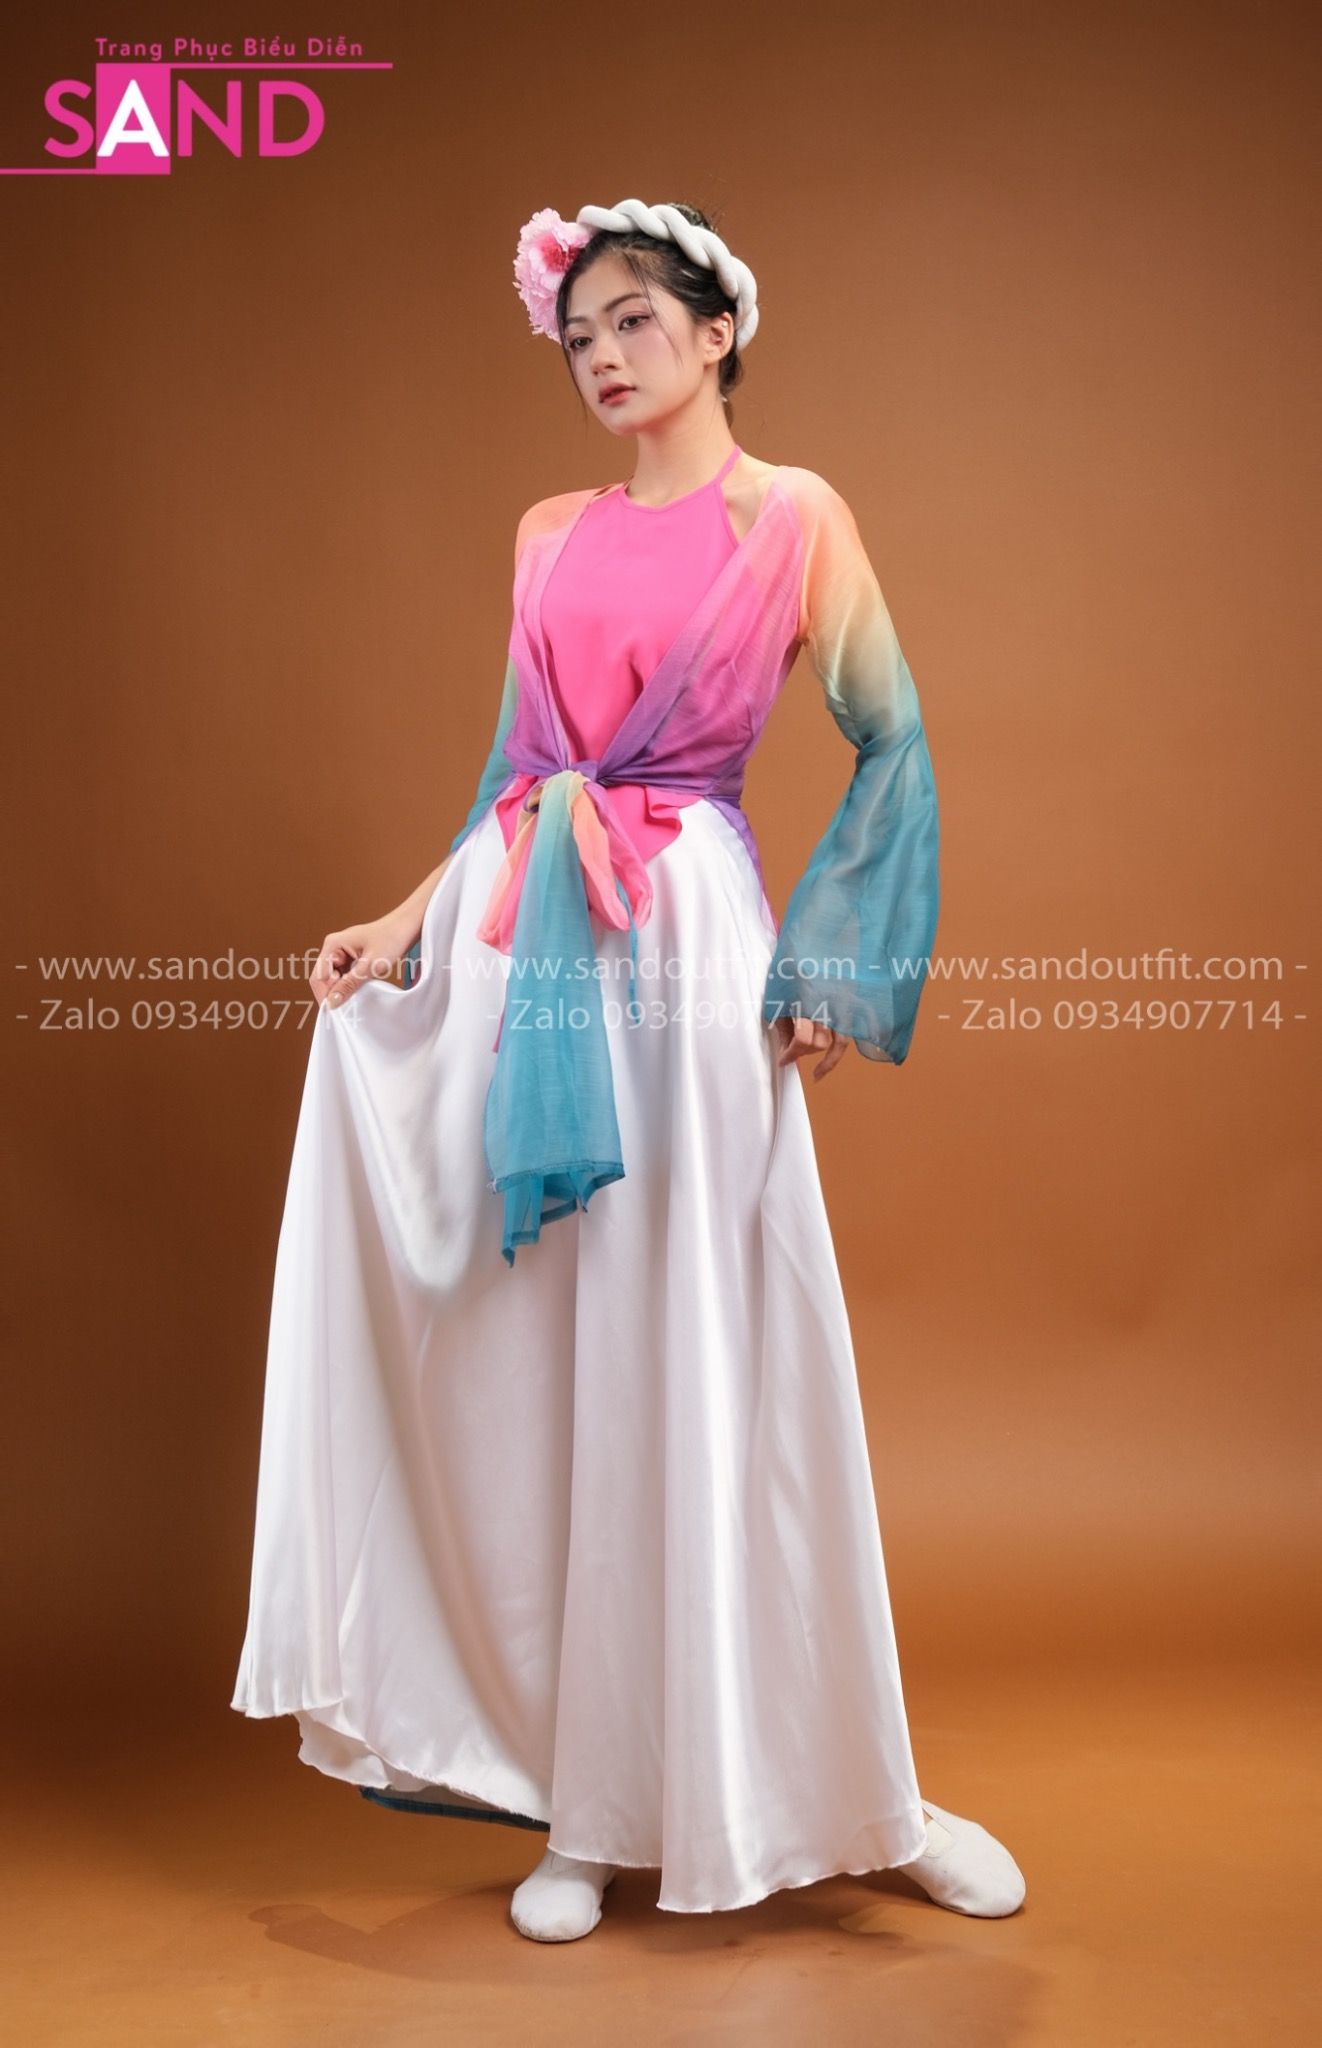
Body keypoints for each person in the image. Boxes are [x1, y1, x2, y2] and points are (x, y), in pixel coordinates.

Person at [230, 196, 1026, 1941]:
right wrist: (399, 925)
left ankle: (859, 1794)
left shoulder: (791, 517)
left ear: (716, 331)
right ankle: (586, 1809)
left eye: (632, 322)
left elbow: (891, 738)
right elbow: (513, 773)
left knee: (720, 1344)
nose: (599, 355)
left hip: (690, 948)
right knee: (558, 1359)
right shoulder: (546, 532)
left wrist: (832, 966)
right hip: (529, 949)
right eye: (576, 333)